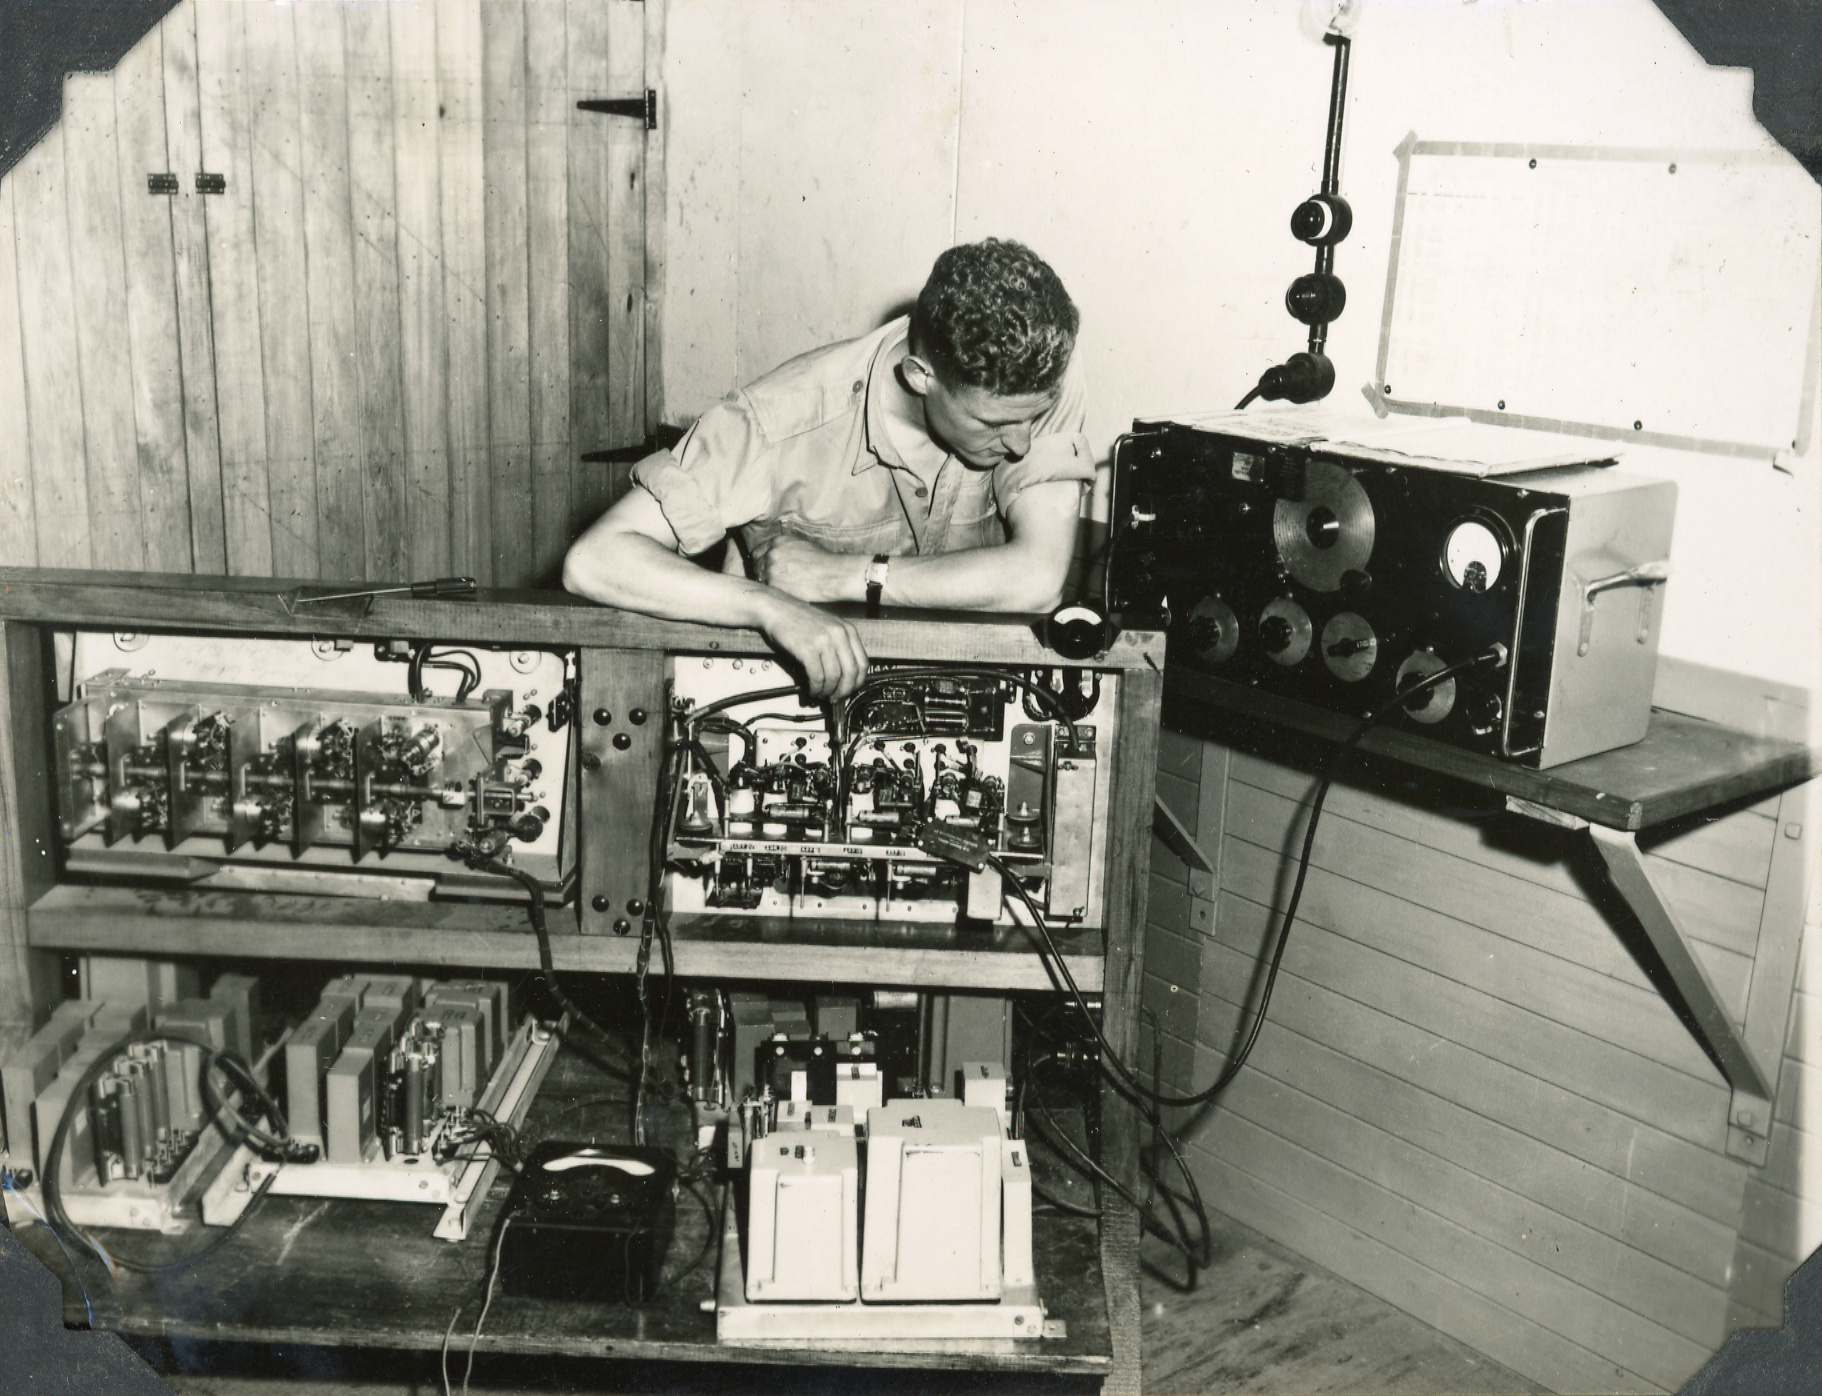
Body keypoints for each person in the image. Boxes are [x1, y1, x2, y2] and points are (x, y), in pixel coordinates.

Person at [562, 238, 1093, 699]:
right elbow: (595, 559)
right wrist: (770, 607)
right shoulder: (777, 421)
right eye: (993, 424)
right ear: (920, 376)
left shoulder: (1032, 385)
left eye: (1034, 417)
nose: (1022, 443)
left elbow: (1037, 578)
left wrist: (847, 575)